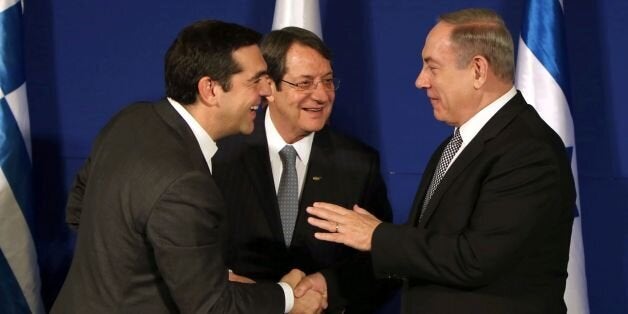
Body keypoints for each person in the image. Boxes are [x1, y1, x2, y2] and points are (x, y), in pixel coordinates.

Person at [305, 8, 575, 314]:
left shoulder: (527, 150)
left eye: (432, 67)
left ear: (477, 70)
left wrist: (377, 236)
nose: (420, 81)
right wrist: (331, 284)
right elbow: (426, 252)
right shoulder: (455, 146)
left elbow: (475, 259)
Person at [51, 20, 325, 314]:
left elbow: (79, 211)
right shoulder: (185, 183)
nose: (267, 92)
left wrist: (190, 273)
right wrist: (289, 298)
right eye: (255, 80)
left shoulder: (132, 119)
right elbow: (212, 307)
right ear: (210, 89)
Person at [212, 26, 395, 313]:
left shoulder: (359, 163)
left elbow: (383, 261)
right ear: (268, 87)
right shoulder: (220, 155)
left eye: (328, 81)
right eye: (305, 83)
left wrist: (326, 287)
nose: (321, 95)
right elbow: (188, 251)